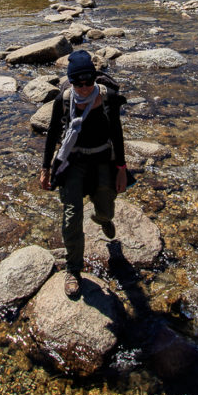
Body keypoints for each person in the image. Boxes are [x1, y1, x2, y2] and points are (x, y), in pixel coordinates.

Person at [40, 50, 127, 298]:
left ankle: (103, 219)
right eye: (79, 82)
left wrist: (121, 169)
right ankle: (73, 270)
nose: (85, 87)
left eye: (89, 81)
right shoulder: (63, 100)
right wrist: (45, 168)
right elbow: (52, 134)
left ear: (95, 78)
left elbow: (117, 135)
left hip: (102, 159)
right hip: (73, 161)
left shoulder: (108, 97)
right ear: (71, 81)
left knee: (106, 208)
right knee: (71, 217)